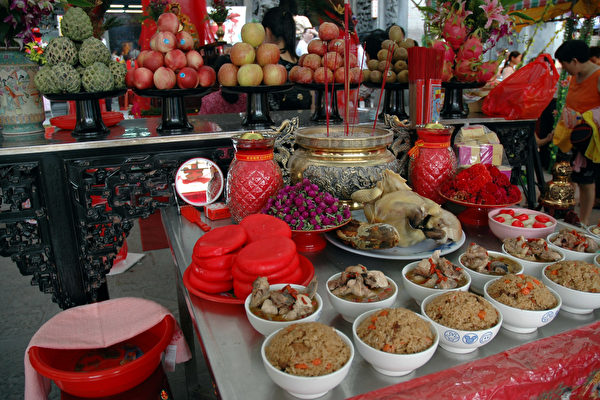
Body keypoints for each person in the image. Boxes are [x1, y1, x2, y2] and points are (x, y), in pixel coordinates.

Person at [552, 40, 600, 225]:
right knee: (569, 178)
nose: (564, 69)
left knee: (587, 182)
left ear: (574, 60)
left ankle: (585, 222)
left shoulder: (597, 76)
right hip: (571, 138)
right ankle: (568, 215)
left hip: (589, 140)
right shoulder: (575, 77)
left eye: (564, 64)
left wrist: (586, 118)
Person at [262, 6, 311, 110]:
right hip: (304, 124)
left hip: (277, 125)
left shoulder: (265, 67)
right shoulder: (302, 65)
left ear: (267, 32)